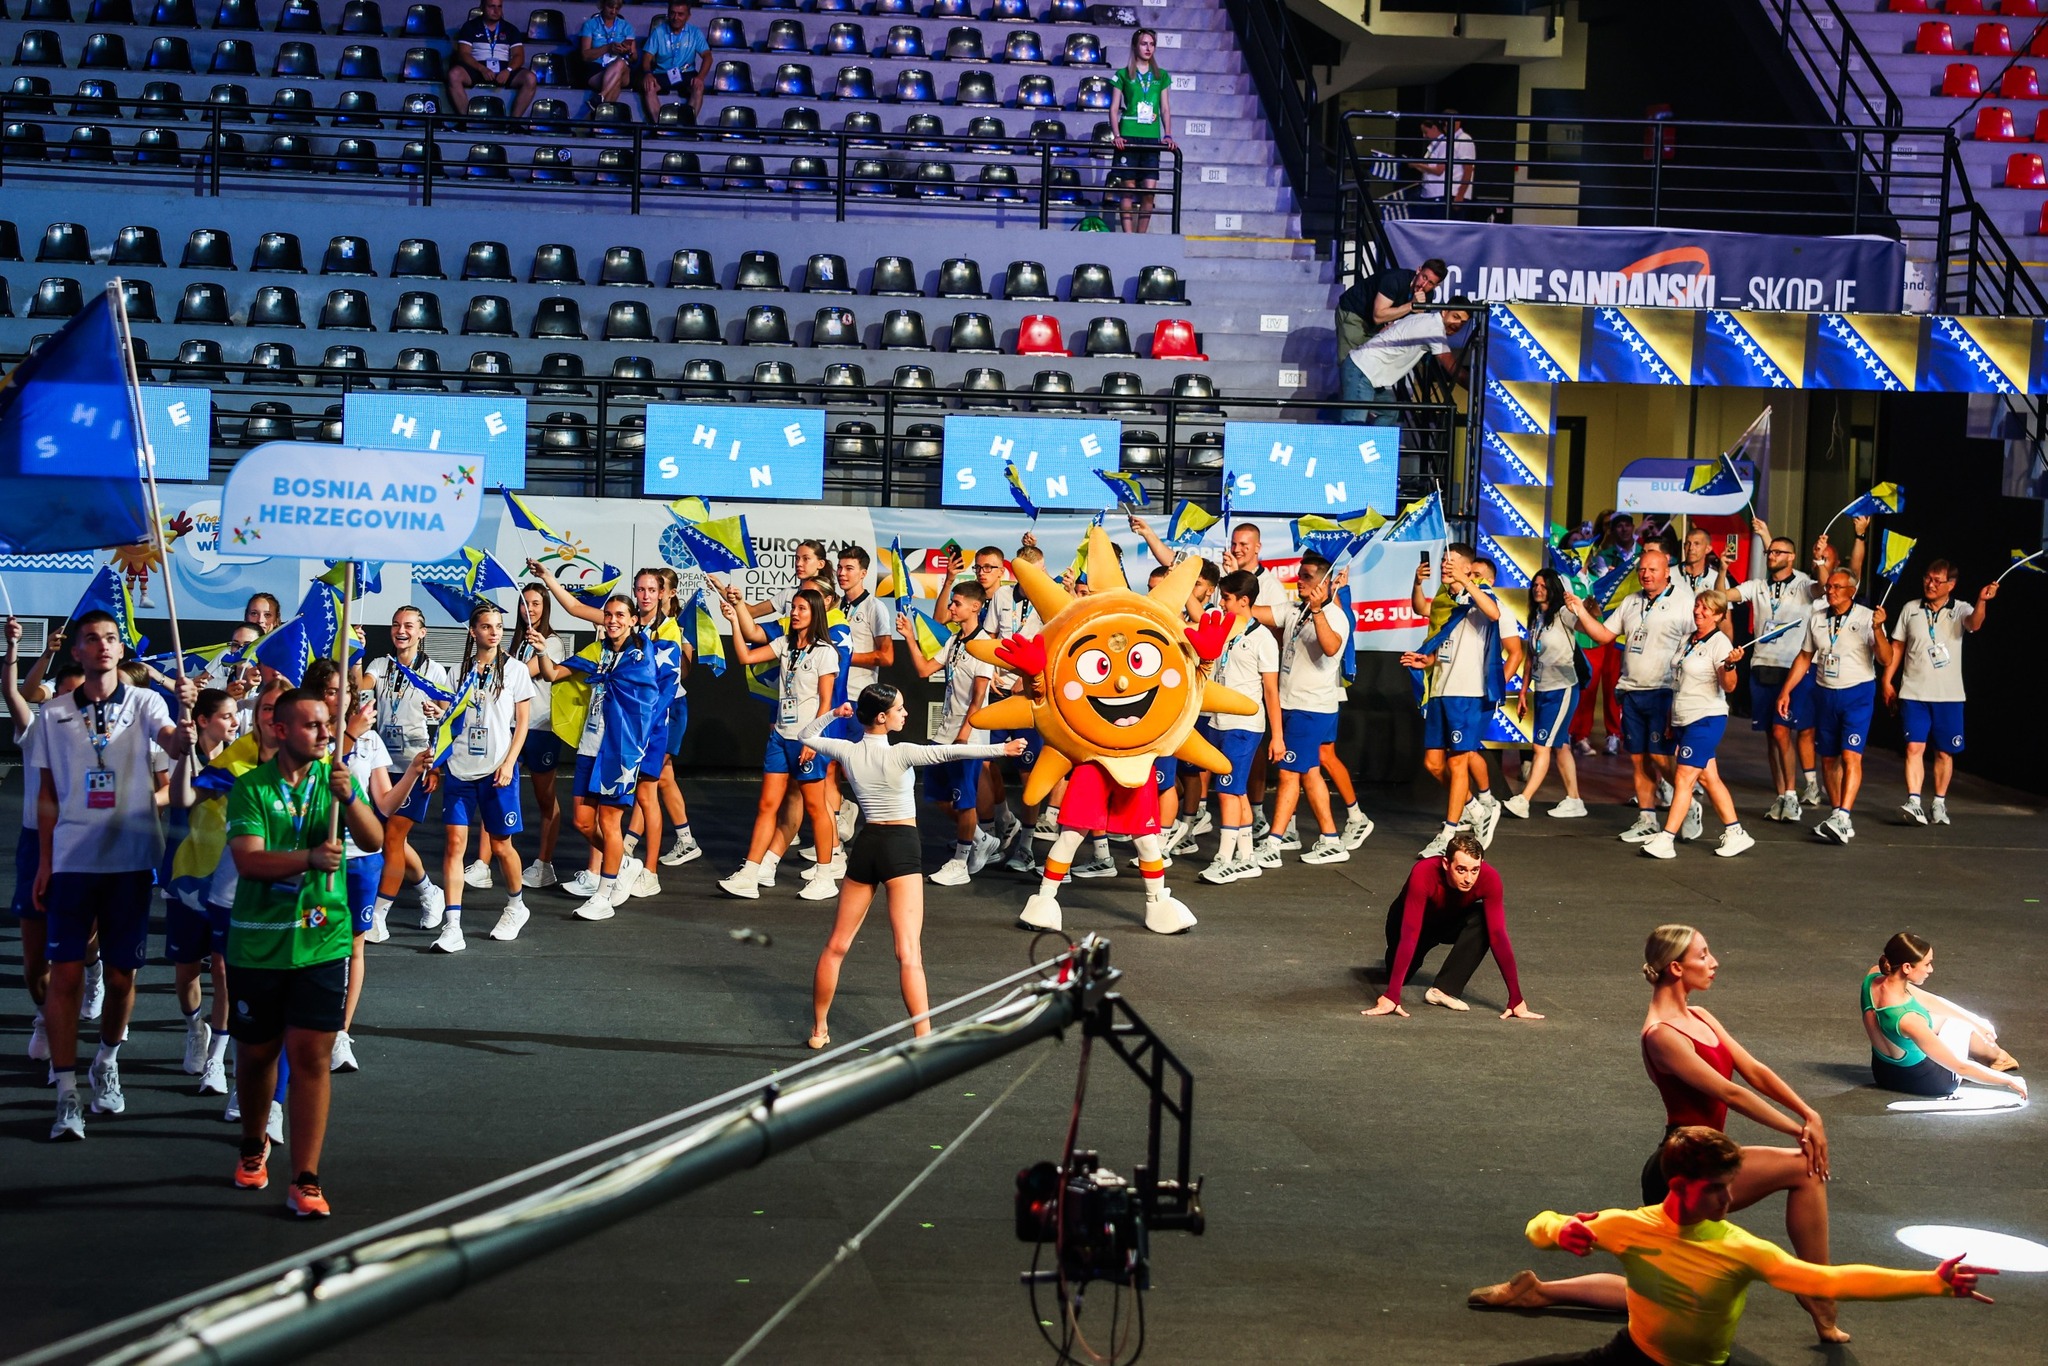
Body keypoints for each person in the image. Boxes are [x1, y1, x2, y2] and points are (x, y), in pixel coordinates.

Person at [1480, 1126, 1994, 1366]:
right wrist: (1557, 1231)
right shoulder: (1627, 1226)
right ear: (1679, 1186)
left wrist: (1929, 1282)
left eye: (1730, 1186)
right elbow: (1540, 1224)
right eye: (1716, 1190)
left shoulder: (1741, 1249)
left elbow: (1827, 1280)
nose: (1729, 1201)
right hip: (1630, 1358)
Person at [223, 687, 384, 1215]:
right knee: (257, 1054)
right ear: (281, 730)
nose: (325, 733)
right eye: (313, 724)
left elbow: (374, 840)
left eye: (328, 724)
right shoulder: (250, 788)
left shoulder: (336, 781)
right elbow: (250, 862)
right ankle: (253, 1144)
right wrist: (310, 858)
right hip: (258, 942)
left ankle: (306, 1179)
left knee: (312, 1057)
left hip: (322, 938)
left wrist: (351, 798)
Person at [30, 611, 191, 1140]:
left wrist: (185, 725)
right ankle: (66, 1092)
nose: (103, 646)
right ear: (76, 651)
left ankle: (106, 1059)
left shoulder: (145, 702)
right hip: (73, 860)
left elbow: (172, 744)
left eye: (110, 638)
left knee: (122, 977)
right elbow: (48, 795)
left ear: (121, 649)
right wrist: (46, 861)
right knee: (66, 976)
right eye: (92, 639)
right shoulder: (54, 713)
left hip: (130, 860)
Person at [796, 689, 1026, 1048]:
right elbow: (951, 752)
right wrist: (1002, 750)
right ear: (882, 717)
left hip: (867, 847)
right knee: (908, 952)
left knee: (836, 945)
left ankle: (819, 1031)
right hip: (901, 849)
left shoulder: (848, 751)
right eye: (899, 709)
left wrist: (834, 715)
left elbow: (805, 736)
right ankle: (924, 1040)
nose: (905, 713)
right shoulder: (901, 752)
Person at [299, 659, 427, 1073]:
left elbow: (384, 804)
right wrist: (349, 733)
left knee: (355, 944)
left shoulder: (370, 741)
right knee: (314, 939)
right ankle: (308, 1025)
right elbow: (313, 778)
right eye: (330, 691)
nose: (340, 698)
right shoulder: (307, 737)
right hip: (318, 860)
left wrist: (412, 771)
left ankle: (340, 1032)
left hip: (362, 861)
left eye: (346, 691)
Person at [1563, 544, 1696, 844]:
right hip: (1631, 690)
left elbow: (1697, 641)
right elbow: (1603, 635)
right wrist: (1580, 611)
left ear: (1667, 573)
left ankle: (1687, 803)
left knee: (1660, 757)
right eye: (1642, 570)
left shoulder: (1684, 602)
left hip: (1663, 690)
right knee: (1638, 759)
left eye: (1653, 570)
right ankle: (1647, 818)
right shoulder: (1631, 601)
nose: (1646, 574)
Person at [719, 585, 842, 900]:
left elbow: (826, 702)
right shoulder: (785, 644)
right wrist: (734, 622)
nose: (794, 614)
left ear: (816, 614)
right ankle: (750, 874)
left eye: (802, 609)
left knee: (816, 807)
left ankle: (825, 876)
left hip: (807, 739)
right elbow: (746, 657)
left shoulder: (825, 652)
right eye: (794, 608)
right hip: (780, 738)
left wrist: (813, 739)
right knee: (767, 805)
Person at [433, 603, 535, 952]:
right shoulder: (458, 671)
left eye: (499, 626)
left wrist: (509, 763)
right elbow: (451, 715)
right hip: (460, 768)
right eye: (487, 626)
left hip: (496, 770)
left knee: (502, 846)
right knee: (454, 845)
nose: (494, 632)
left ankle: (516, 905)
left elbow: (522, 723)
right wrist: (438, 711)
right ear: (473, 631)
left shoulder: (516, 670)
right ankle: (452, 926)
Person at [895, 580, 1003, 886]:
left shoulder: (984, 647)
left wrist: (964, 735)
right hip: (943, 733)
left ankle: (960, 862)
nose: (951, 608)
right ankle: (981, 838)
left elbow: (978, 697)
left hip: (966, 737)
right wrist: (910, 637)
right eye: (952, 602)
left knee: (964, 801)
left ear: (975, 607)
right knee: (938, 796)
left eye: (957, 603)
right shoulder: (955, 641)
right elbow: (923, 670)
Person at [1365, 831, 1538, 1020]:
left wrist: (1516, 998)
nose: (1469, 878)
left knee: (1484, 918)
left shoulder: (1490, 878)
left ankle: (1443, 989)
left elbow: (1498, 936)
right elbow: (1410, 934)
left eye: (1475, 870)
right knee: (1397, 975)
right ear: (1446, 864)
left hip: (1449, 922)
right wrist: (1392, 995)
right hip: (1411, 924)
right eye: (1461, 870)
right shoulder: (1423, 872)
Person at [1778, 568, 1891, 845]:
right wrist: (1786, 691)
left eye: (1837, 587)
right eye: (1829, 586)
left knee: (1851, 756)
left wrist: (1878, 629)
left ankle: (1843, 815)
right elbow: (1805, 657)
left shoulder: (1867, 617)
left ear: (1852, 591)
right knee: (1828, 759)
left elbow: (1886, 658)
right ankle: (1838, 816)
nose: (1831, 591)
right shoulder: (1817, 617)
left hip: (1857, 694)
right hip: (1825, 693)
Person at [1404, 543, 1504, 856]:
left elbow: (1494, 613)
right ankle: (1476, 808)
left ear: (1469, 568)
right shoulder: (1448, 600)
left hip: (1468, 692)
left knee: (1458, 761)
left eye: (1452, 561)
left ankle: (1448, 833)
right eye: (1444, 561)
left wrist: (1466, 581)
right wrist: (1427, 661)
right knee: (1433, 763)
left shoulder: (1481, 596)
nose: (1445, 565)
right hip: (1440, 689)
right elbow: (1442, 642)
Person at [1882, 558, 1995, 826]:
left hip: (1949, 696)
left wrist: (1982, 601)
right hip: (1914, 693)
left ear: (1951, 585)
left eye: (1937, 581)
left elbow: (1975, 623)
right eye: (1927, 578)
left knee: (1944, 752)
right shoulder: (1911, 609)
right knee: (1914, 747)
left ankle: (1939, 802)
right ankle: (1913, 801)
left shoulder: (1961, 608)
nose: (1930, 584)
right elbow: (1897, 647)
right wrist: (1887, 680)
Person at [1640, 591, 1753, 860]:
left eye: (1706, 609)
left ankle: (1666, 839)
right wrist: (1671, 719)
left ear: (1718, 615)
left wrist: (1730, 666)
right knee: (1709, 778)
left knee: (1684, 778)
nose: (1699, 611)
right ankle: (1736, 832)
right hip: (1683, 718)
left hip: (1706, 718)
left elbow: (1729, 686)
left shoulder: (1720, 643)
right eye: (1698, 606)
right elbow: (1678, 681)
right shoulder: (1687, 639)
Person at [1255, 554, 1352, 867]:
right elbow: (1252, 611)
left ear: (1324, 582)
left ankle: (1274, 842)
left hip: (1309, 708)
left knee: (1288, 773)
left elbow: (1331, 647)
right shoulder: (1294, 610)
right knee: (1309, 773)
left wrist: (1318, 609)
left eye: (1307, 576)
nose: (1299, 581)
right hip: (1291, 704)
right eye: (1299, 575)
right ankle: (1331, 840)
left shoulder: (1334, 616)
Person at [1732, 519, 1825, 822]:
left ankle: (1792, 795)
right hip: (1762, 666)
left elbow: (1823, 587)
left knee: (1782, 731)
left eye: (1778, 552)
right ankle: (1782, 796)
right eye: (1769, 552)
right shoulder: (1759, 586)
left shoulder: (1803, 584)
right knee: (1771, 736)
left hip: (1791, 668)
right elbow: (1726, 596)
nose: (1771, 556)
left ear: (1791, 557)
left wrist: (1821, 560)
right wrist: (1718, 576)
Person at [1861, 932, 2024, 1098]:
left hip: (1884, 1075)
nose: (1930, 970)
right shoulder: (1909, 1019)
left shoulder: (1873, 977)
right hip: (1934, 1083)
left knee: (1944, 1019)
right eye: (1927, 964)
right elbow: (1961, 1068)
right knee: (1960, 1025)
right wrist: (2009, 1081)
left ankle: (1997, 1056)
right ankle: (1997, 1058)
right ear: (1907, 967)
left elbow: (1930, 1000)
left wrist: (1976, 1021)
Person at [1195, 570, 1280, 884]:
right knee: (1236, 791)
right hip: (1218, 720)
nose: (1221, 603)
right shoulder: (1223, 630)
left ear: (1244, 601)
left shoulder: (1263, 639)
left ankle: (1225, 858)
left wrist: (1278, 736)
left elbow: (1271, 691)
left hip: (1244, 725)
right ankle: (1246, 857)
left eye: (1227, 598)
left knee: (1228, 792)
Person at [1504, 568, 1586, 820]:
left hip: (1562, 689)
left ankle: (1524, 799)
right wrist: (1523, 691)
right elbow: (1531, 656)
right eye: (1535, 585)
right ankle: (1574, 800)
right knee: (1560, 745)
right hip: (1542, 688)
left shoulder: (1563, 614)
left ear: (1553, 588)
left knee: (1541, 746)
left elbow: (1587, 620)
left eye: (1543, 585)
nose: (1538, 589)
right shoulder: (1536, 617)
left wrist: (1585, 607)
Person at [1335, 258, 1446, 417]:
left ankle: (1361, 412)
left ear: (1436, 286)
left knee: (1369, 368)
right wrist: (1411, 306)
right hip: (1355, 314)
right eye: (1424, 277)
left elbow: (1410, 325)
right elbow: (1378, 316)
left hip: (1378, 325)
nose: (1423, 284)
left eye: (1430, 283)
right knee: (1352, 367)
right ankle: (1350, 418)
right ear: (1418, 270)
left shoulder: (1427, 296)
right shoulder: (1395, 280)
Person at [514, 584, 570, 888]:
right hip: (513, 727)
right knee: (496, 790)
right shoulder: (517, 642)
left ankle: (545, 864)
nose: (530, 609)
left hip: (541, 728)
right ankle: (483, 862)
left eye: (536, 603)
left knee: (545, 798)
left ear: (545, 607)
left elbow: (523, 673)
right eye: (525, 603)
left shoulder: (552, 642)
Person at [1345, 301, 1472, 427]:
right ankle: (1361, 439)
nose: (1457, 325)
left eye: (1462, 323)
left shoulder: (1423, 318)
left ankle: (1374, 440)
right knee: (1354, 426)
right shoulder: (1435, 330)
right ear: (1444, 312)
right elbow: (1453, 369)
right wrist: (1477, 389)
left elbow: (1387, 328)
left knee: (1390, 412)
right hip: (1362, 370)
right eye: (1455, 317)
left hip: (1365, 371)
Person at [1572, 513, 1635, 756]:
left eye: (1585, 550)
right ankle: (1578, 734)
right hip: (1588, 637)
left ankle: (1612, 734)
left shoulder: (1599, 575)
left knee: (1611, 687)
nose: (1581, 555)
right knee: (1586, 688)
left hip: (1614, 636)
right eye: (1577, 550)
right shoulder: (1581, 572)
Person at [1108, 29, 1173, 235]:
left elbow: (1165, 108)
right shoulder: (1122, 74)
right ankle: (1128, 238)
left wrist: (1168, 134)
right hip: (1129, 135)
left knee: (1149, 191)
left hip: (1151, 138)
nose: (1148, 48)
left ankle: (1141, 237)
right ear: (1135, 46)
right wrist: (1117, 135)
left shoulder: (1161, 76)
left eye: (1152, 44)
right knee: (1127, 189)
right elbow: (1113, 108)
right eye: (1144, 44)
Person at [449, 0, 536, 117]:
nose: (496, 11)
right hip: (477, 68)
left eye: (499, 7)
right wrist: (482, 69)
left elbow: (519, 56)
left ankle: (514, 122)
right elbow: (464, 54)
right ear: (482, 7)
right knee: (454, 75)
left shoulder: (510, 29)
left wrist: (508, 70)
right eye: (492, 6)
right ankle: (467, 120)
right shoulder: (470, 26)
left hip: (504, 69)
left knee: (530, 78)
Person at [638, 0, 708, 124]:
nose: (676, 17)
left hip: (686, 72)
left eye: (680, 14)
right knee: (649, 86)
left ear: (688, 16)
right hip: (662, 73)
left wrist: (701, 77)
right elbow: (646, 57)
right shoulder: (658, 32)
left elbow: (708, 57)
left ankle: (687, 125)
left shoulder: (695, 32)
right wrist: (648, 74)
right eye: (672, 13)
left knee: (698, 87)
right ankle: (660, 127)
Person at [1408, 111, 1475, 217]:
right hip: (1445, 192)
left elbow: (1468, 168)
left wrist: (1460, 195)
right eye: (1444, 123)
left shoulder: (1464, 139)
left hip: (1453, 193)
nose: (1445, 126)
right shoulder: (1447, 141)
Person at [578, 0, 637, 109]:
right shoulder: (590, 25)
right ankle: (601, 115)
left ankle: (601, 95)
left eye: (617, 8)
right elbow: (585, 55)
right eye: (610, 7)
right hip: (597, 69)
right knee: (615, 82)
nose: (613, 11)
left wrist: (627, 52)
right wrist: (608, 48)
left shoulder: (626, 27)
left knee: (620, 63)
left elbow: (634, 58)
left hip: (622, 71)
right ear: (602, 5)